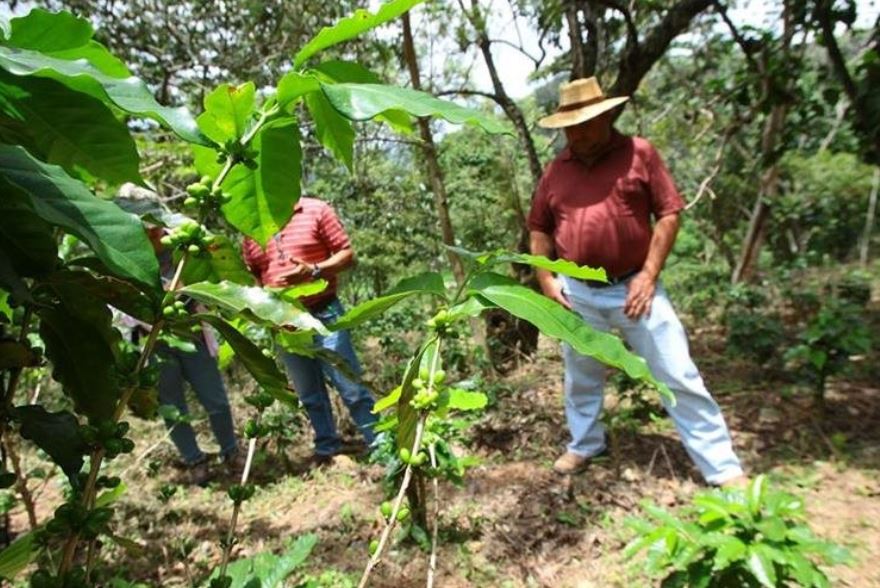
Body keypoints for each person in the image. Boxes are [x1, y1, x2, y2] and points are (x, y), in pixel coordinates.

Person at [527, 78, 745, 486]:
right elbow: (539, 227)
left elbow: (669, 212)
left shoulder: (639, 154)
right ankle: (585, 443)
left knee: (677, 372)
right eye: (569, 127)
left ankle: (723, 469)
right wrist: (546, 278)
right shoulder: (557, 170)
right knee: (581, 375)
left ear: (606, 116)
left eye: (586, 124)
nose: (577, 134)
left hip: (636, 288)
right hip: (578, 295)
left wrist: (649, 274)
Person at [119, 187, 241, 486]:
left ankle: (231, 454)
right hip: (153, 340)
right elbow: (117, 297)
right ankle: (195, 460)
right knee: (172, 407)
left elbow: (209, 269)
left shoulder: (181, 236)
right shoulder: (123, 246)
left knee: (216, 400)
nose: (149, 229)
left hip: (193, 333)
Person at [242, 196, 376, 464]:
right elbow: (254, 273)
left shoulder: (315, 210)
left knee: (349, 383)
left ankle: (379, 442)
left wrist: (314, 271)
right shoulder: (251, 225)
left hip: (324, 312)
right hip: (284, 321)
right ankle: (327, 448)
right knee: (308, 393)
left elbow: (347, 255)